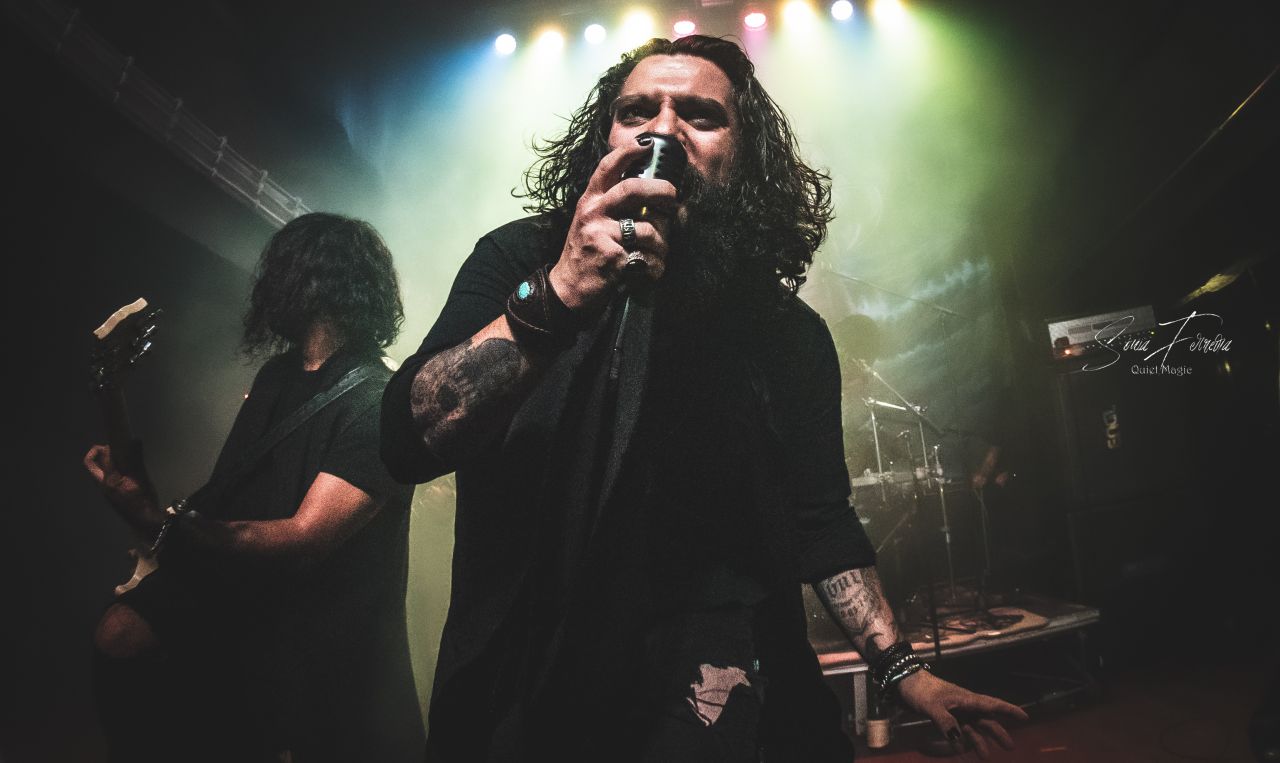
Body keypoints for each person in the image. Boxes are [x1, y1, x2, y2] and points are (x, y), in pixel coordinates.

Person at [381, 36, 1027, 761]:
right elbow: (408, 439)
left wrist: (902, 669)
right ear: (604, 140)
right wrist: (560, 294)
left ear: (744, 157)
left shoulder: (784, 333)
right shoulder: (519, 261)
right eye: (635, 112)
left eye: (700, 114)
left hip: (715, 696)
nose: (661, 130)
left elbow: (820, 520)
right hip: (527, 692)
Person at [85, 213, 425, 761]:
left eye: (280, 268)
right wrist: (154, 514)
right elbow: (231, 495)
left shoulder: (377, 401)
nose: (266, 284)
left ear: (313, 279)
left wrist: (157, 522)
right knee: (119, 634)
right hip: (245, 595)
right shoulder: (277, 377)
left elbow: (306, 537)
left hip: (317, 633)